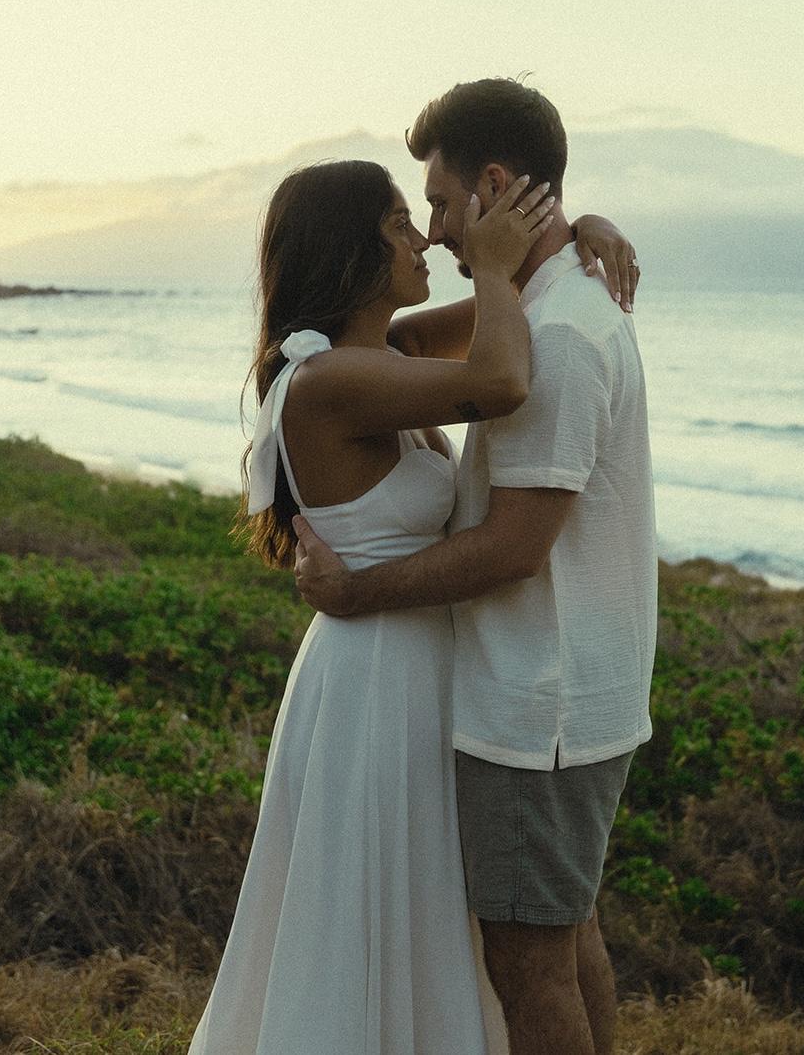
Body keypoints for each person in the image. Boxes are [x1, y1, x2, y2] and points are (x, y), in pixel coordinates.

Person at [187, 158, 632, 1054]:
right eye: (399, 223)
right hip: (377, 679)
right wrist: (497, 266)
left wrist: (572, 235)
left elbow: (522, 307)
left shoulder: (384, 355)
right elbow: (502, 378)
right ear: (349, 253)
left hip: (417, 667)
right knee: (375, 912)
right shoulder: (329, 382)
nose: (425, 238)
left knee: (431, 914)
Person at [294, 79, 657, 1055]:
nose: (435, 230)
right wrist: (562, 231)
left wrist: (355, 591)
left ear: (495, 186)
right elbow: (403, 344)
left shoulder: (556, 337)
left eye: (443, 203)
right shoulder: (556, 302)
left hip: (540, 702)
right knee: (567, 938)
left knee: (530, 967)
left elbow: (513, 547)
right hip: (565, 691)